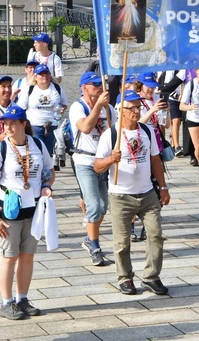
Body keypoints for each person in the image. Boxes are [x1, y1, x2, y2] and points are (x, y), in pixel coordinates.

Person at [94, 90, 171, 296]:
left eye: (139, 107)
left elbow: (155, 160)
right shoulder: (110, 135)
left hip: (147, 193)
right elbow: (97, 166)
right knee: (122, 242)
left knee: (155, 235)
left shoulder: (146, 131)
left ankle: (151, 276)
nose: (137, 111)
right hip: (121, 195)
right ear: (121, 110)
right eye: (132, 107)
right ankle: (125, 277)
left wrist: (162, 187)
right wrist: (110, 159)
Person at [0, 105, 54, 320]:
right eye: (5, 124)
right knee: (8, 256)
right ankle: (6, 302)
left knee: (27, 256)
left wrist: (46, 185)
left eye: (13, 123)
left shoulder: (37, 144)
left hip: (33, 208)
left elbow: (49, 172)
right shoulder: (1, 149)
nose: (8, 127)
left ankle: (22, 298)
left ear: (23, 124)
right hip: (9, 209)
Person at [70, 72, 115, 267]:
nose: (99, 87)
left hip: (103, 161)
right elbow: (86, 127)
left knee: (104, 206)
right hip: (84, 160)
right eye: (95, 84)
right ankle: (95, 246)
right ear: (84, 88)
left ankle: (90, 238)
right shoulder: (77, 107)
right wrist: (98, 107)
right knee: (94, 206)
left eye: (101, 84)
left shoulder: (110, 109)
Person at [17, 65, 68, 157]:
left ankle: (46, 171)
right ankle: (38, 171)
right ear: (36, 77)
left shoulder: (57, 88)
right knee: (37, 152)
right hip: (34, 126)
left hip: (52, 126)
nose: (44, 76)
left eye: (47, 74)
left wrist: (61, 110)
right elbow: (21, 107)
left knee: (48, 154)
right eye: (41, 74)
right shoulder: (29, 89)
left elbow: (64, 104)